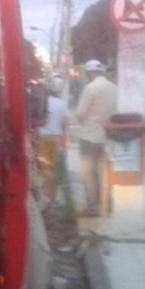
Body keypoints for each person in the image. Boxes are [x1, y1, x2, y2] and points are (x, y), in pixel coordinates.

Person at [72, 59, 117, 217]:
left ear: (90, 73)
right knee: (104, 172)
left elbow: (80, 114)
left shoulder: (90, 88)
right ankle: (107, 204)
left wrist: (81, 120)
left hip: (90, 136)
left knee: (88, 173)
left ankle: (93, 207)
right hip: (109, 137)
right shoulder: (114, 89)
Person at [37, 75, 69, 206]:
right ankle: (52, 198)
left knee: (43, 168)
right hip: (55, 139)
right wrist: (65, 142)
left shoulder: (43, 101)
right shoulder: (62, 104)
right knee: (53, 168)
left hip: (41, 138)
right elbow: (65, 124)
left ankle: (44, 197)